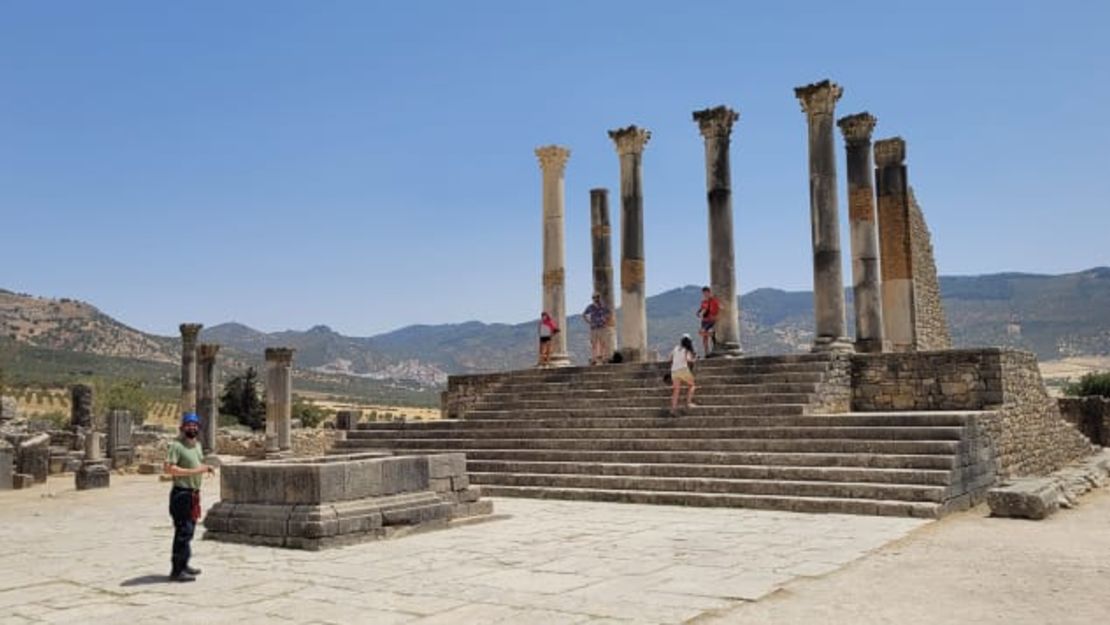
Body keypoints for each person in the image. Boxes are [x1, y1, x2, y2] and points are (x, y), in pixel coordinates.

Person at [164, 412, 215, 582]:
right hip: (181, 494)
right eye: (188, 425)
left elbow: (197, 463)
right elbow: (169, 468)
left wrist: (205, 468)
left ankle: (184, 565)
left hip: (193, 494)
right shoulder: (176, 446)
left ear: (198, 427)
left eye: (194, 425)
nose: (192, 427)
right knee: (182, 532)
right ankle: (177, 571)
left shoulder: (197, 446)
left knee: (189, 531)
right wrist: (195, 471)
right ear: (182, 427)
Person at [670, 334, 697, 413]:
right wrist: (694, 360)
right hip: (683, 370)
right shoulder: (686, 350)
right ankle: (688, 402)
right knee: (692, 385)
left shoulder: (676, 348)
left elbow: (670, 358)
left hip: (674, 371)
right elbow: (688, 360)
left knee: (676, 390)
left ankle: (673, 409)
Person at [582, 294, 611, 365]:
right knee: (594, 344)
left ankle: (603, 359)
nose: (596, 299)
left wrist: (606, 322)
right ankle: (594, 359)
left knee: (603, 343)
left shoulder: (603, 307)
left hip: (602, 327)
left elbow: (609, 314)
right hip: (594, 328)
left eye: (597, 297)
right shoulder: (590, 307)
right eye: (594, 298)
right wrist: (589, 322)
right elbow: (584, 315)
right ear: (593, 299)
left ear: (599, 298)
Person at [696, 286, 721, 357]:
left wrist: (716, 316)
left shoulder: (713, 300)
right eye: (704, 293)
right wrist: (698, 313)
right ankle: (706, 353)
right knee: (704, 338)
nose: (705, 294)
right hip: (704, 320)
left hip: (710, 320)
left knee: (702, 333)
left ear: (709, 292)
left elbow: (719, 307)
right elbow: (701, 309)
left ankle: (712, 335)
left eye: (706, 293)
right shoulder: (703, 302)